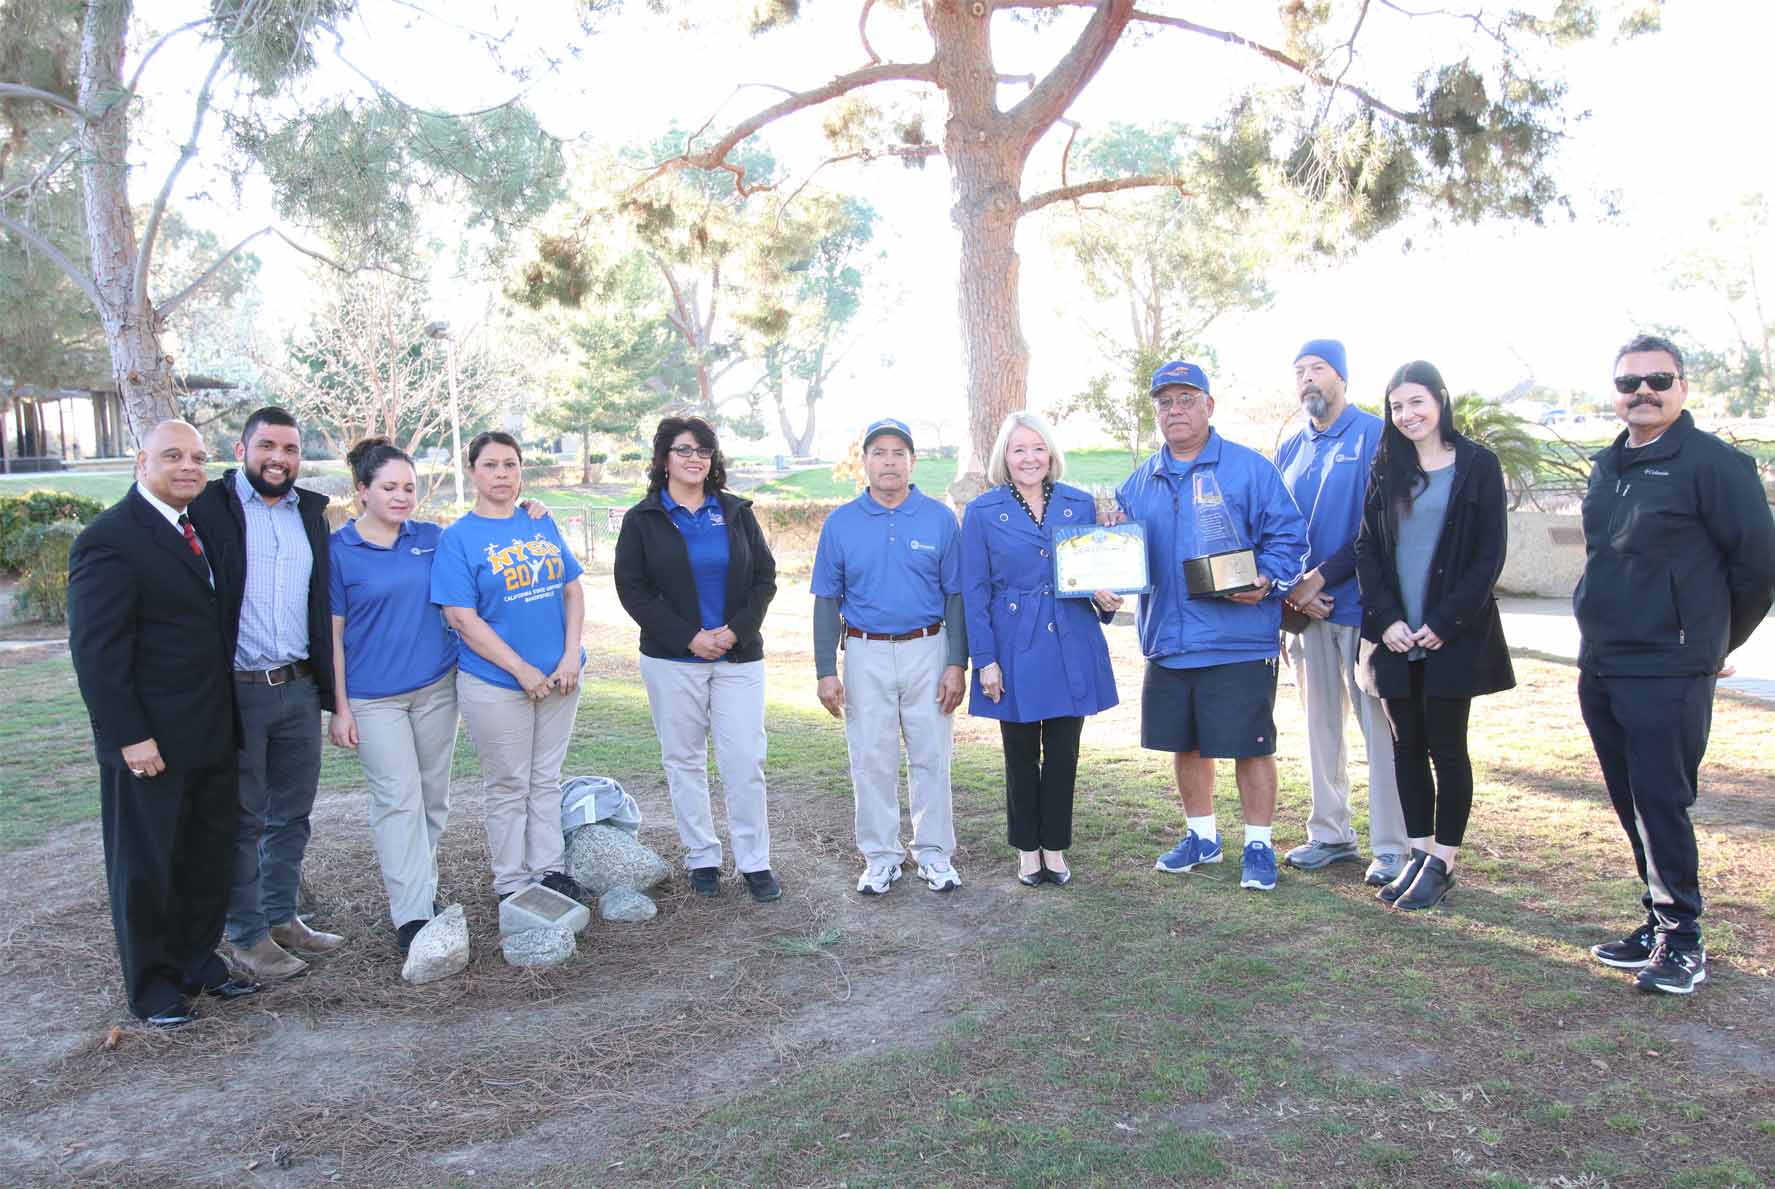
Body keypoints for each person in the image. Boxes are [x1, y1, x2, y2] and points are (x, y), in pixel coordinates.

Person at [1577, 333, 1775, 994]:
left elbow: (1756, 566)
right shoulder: (1608, 464)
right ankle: (1656, 920)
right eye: (1628, 381)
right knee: (1630, 800)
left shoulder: (1713, 464)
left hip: (1667, 667)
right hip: (1602, 663)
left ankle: (1682, 938)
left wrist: (1714, 645)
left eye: (1657, 379)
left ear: (1681, 386)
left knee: (1661, 801)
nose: (1643, 392)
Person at [67, 420, 259, 1027]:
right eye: (173, 456)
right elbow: (97, 653)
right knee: (147, 865)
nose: (188, 467)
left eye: (197, 458)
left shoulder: (195, 527)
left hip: (209, 729)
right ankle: (152, 988)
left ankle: (197, 963)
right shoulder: (111, 539)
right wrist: (129, 735)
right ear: (139, 462)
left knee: (205, 857)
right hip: (149, 739)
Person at [1115, 361, 1308, 892]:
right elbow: (1120, 557)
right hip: (1169, 641)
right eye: (1164, 402)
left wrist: (1267, 580)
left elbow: (1288, 539)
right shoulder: (1137, 483)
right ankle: (1202, 837)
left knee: (1251, 747)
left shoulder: (1250, 469)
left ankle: (1259, 845)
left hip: (1238, 640)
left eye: (1185, 399)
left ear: (1208, 406)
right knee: (1187, 745)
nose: (1174, 410)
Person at [1353, 361, 1515, 911]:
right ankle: (1418, 854)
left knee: (1447, 748)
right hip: (1396, 637)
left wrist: (1445, 623)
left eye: (1417, 402)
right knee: (1406, 749)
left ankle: (1444, 861)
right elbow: (1367, 550)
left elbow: (1488, 554)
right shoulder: (1386, 468)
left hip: (1453, 635)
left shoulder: (1478, 466)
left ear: (1441, 401)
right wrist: (1387, 620)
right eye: (1397, 406)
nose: (1407, 415)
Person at [190, 406, 342, 983]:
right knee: (243, 817)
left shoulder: (308, 513)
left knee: (292, 814)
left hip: (298, 687)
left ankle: (283, 917)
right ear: (242, 449)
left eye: (291, 450)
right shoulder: (208, 509)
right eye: (268, 447)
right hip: (236, 690)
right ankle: (247, 934)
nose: (279, 459)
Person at [615, 416, 782, 903]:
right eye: (684, 449)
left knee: (744, 761)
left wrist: (735, 631)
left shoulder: (735, 512)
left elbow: (765, 578)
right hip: (672, 660)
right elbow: (633, 590)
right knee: (684, 761)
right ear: (664, 457)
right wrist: (690, 637)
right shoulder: (642, 519)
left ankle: (755, 862)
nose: (695, 459)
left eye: (704, 451)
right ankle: (702, 857)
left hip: (738, 658)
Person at [960, 412, 1119, 886]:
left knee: (1065, 752)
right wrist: (984, 660)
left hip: (1071, 637)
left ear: (1051, 453)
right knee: (1020, 753)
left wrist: (1106, 596)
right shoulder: (983, 512)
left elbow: (1093, 573)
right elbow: (975, 590)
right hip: (1014, 644)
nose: (1029, 458)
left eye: (1037, 448)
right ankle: (1028, 848)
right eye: (1018, 450)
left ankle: (1055, 846)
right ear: (1003, 459)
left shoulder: (1079, 503)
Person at [431, 431, 590, 905]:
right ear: (473, 472)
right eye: (491, 465)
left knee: (545, 778)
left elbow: (572, 590)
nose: (502, 474)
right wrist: (521, 670)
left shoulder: (539, 522)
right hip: (498, 682)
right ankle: (512, 882)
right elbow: (461, 617)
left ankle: (549, 871)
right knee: (507, 783)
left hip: (560, 677)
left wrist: (569, 655)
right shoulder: (458, 538)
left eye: (511, 464)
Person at [811, 417, 968, 895]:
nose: (889, 462)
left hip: (928, 647)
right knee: (871, 757)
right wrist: (824, 670)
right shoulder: (841, 523)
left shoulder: (939, 518)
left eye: (899, 453)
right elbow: (825, 600)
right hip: (864, 650)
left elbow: (956, 596)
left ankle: (934, 853)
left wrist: (956, 662)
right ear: (865, 463)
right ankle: (881, 856)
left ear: (913, 461)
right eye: (879, 452)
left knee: (931, 755)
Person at [1276, 340, 1409, 885]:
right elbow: (1276, 528)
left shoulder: (1376, 435)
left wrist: (1320, 579)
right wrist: (1294, 590)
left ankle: (1393, 846)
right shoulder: (1290, 447)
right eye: (1300, 370)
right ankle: (1330, 834)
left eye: (1319, 369)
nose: (1308, 379)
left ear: (1342, 378)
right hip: (1307, 613)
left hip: (1360, 609)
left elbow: (1378, 529)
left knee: (1379, 730)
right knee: (1320, 728)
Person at [326, 439, 460, 955]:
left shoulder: (432, 538)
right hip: (374, 700)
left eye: (409, 486)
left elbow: (485, 549)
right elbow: (332, 638)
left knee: (432, 799)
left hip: (435, 690)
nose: (402, 496)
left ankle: (421, 892)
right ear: (362, 491)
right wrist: (340, 708)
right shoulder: (339, 552)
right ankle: (411, 919)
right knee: (397, 800)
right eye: (389, 487)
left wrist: (530, 514)